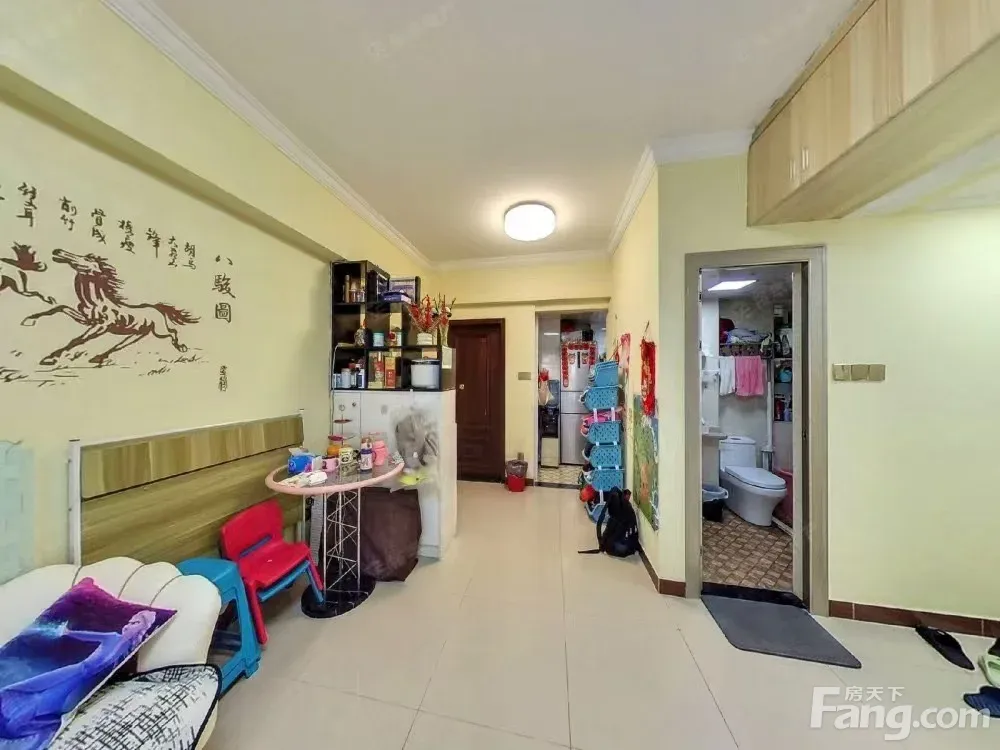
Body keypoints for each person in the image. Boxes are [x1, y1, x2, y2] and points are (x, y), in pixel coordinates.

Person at [0, 609, 156, 748]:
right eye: (129, 622)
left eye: (135, 623)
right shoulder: (113, 637)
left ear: (142, 628)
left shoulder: (128, 650)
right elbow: (88, 636)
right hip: (76, 671)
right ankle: (9, 714)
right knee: (35, 687)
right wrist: (68, 632)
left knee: (50, 702)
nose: (128, 626)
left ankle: (17, 724)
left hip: (83, 681)